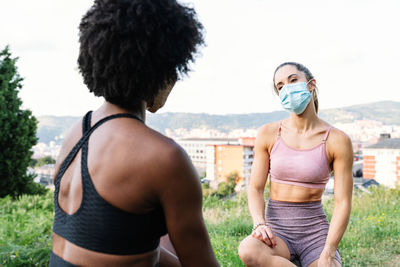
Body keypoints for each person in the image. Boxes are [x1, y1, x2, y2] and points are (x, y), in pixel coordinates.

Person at [50, 0, 220, 266]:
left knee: (161, 236)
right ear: (163, 70)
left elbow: (113, 243)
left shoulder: (77, 132)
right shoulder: (165, 157)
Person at [238, 62, 353, 267]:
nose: (287, 88)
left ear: (311, 85)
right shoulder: (268, 133)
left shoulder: (337, 139)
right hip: (276, 234)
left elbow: (342, 202)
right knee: (248, 250)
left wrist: (329, 249)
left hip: (315, 234)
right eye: (280, 86)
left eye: (293, 80)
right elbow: (255, 188)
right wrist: (259, 223)